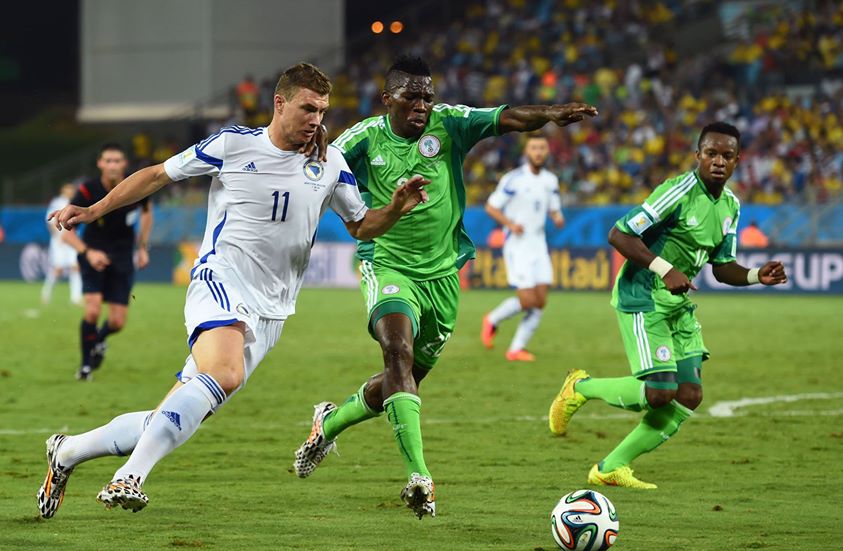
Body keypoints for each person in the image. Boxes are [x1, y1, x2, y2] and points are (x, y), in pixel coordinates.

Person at [37, 62, 428, 518]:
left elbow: (362, 224)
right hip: (220, 280)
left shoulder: (330, 163)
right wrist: (95, 210)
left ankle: (66, 452)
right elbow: (158, 175)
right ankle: (130, 477)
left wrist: (397, 206)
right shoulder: (233, 145)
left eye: (322, 111)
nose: (316, 120)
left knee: (171, 416)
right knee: (224, 372)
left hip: (272, 310)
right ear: (279, 104)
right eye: (307, 108)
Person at [293, 54, 597, 519]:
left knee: (403, 381)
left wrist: (550, 115)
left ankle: (328, 423)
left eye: (427, 95)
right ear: (387, 100)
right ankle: (420, 477)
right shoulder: (363, 138)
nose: (421, 104)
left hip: (442, 276)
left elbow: (506, 117)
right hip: (388, 264)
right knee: (397, 352)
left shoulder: (451, 124)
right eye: (411, 96)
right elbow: (315, 167)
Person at [548, 122, 788, 489]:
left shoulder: (730, 206)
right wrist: (664, 268)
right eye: (711, 153)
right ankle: (581, 387)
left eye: (726, 155)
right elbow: (619, 234)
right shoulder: (677, 191)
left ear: (738, 161)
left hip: (677, 304)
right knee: (660, 392)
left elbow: (723, 268)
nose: (718, 161)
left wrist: (757, 275)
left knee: (689, 394)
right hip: (643, 295)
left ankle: (611, 466)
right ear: (698, 156)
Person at [60, 143, 153, 381]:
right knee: (91, 311)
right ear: (100, 164)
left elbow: (146, 212)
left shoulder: (136, 186)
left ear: (125, 164)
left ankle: (99, 340)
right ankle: (85, 366)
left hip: (122, 255)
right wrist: (89, 252)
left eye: (117, 161)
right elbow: (66, 234)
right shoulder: (87, 190)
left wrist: (142, 247)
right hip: (93, 253)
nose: (112, 165)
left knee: (117, 321)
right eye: (108, 161)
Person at [480, 133, 565, 361]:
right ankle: (493, 319)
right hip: (518, 246)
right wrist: (509, 224)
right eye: (534, 148)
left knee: (540, 301)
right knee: (528, 300)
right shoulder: (513, 179)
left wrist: (557, 217)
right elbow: (491, 206)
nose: (538, 152)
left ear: (547, 152)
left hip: (539, 244)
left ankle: (516, 348)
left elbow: (554, 207)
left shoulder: (550, 180)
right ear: (527, 152)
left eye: (542, 148)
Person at [41, 183, 83, 305]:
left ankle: (75, 297)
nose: (70, 191)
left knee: (75, 267)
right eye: (68, 189)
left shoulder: (76, 201)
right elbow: (50, 221)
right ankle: (46, 293)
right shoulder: (57, 202)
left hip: (73, 238)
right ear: (63, 190)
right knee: (58, 269)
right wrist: (57, 236)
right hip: (60, 240)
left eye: (72, 189)